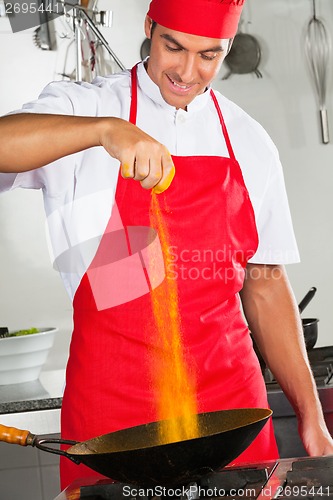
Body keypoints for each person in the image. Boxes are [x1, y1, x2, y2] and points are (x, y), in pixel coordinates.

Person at [1, 0, 333, 490]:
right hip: (115, 405)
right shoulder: (90, 106)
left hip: (229, 409)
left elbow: (264, 285)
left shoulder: (249, 140)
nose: (187, 71)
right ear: (149, 27)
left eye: (209, 56)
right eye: (173, 47)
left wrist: (311, 413)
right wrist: (104, 133)